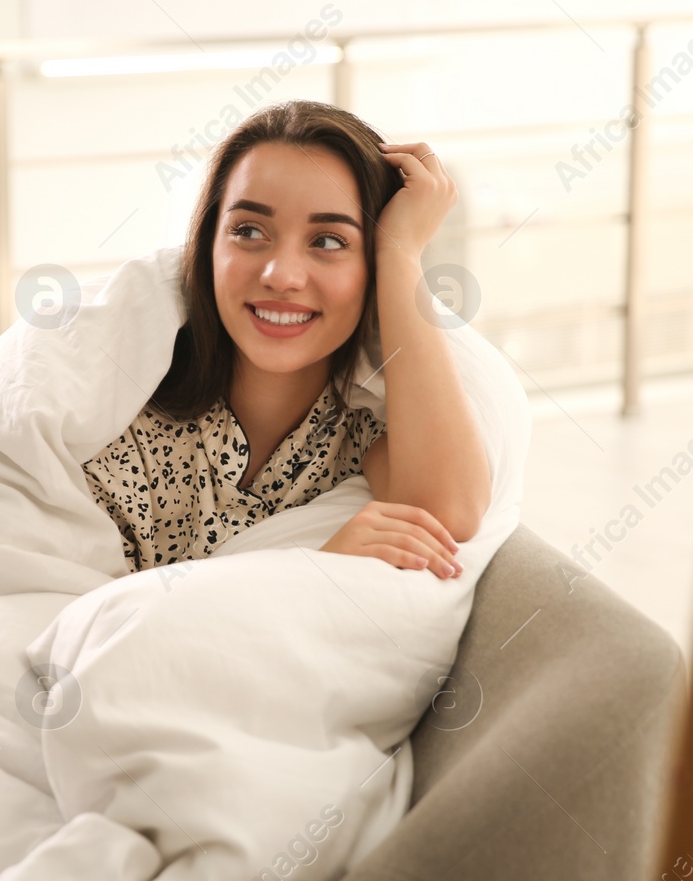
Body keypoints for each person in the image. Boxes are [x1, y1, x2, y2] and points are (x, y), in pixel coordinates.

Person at [81, 100, 491, 580]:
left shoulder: (361, 435)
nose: (282, 276)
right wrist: (303, 572)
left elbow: (448, 513)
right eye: (249, 231)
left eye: (330, 241)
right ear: (209, 246)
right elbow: (83, 634)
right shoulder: (116, 420)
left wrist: (400, 252)